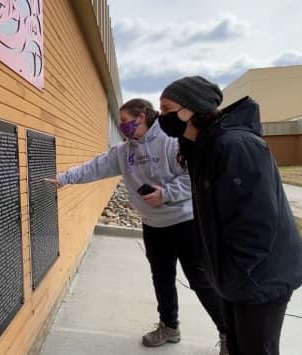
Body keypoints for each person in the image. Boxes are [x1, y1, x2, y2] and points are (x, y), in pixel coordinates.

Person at [47, 98, 228, 353]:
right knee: (162, 278)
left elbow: (194, 175)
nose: (122, 127)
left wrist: (165, 194)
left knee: (201, 281)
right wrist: (64, 178)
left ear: (141, 116)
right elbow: (96, 167)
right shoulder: (124, 151)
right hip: (153, 225)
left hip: (185, 222)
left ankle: (229, 333)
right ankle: (169, 327)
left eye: (124, 121)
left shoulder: (171, 140)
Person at [157, 76, 302, 355]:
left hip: (260, 276)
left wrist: (236, 272)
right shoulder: (202, 147)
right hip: (236, 277)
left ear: (191, 109)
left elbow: (256, 222)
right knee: (237, 345)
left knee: (256, 349)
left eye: (167, 109)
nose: (161, 117)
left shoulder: (235, 145)